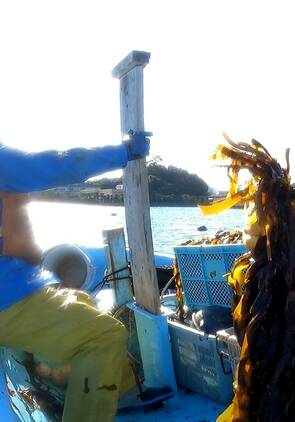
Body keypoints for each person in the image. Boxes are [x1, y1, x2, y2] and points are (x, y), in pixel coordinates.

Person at [0, 132, 169, 422]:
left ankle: (118, 391)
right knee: (105, 334)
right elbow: (59, 164)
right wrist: (123, 152)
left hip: (15, 290)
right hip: (7, 300)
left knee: (79, 299)